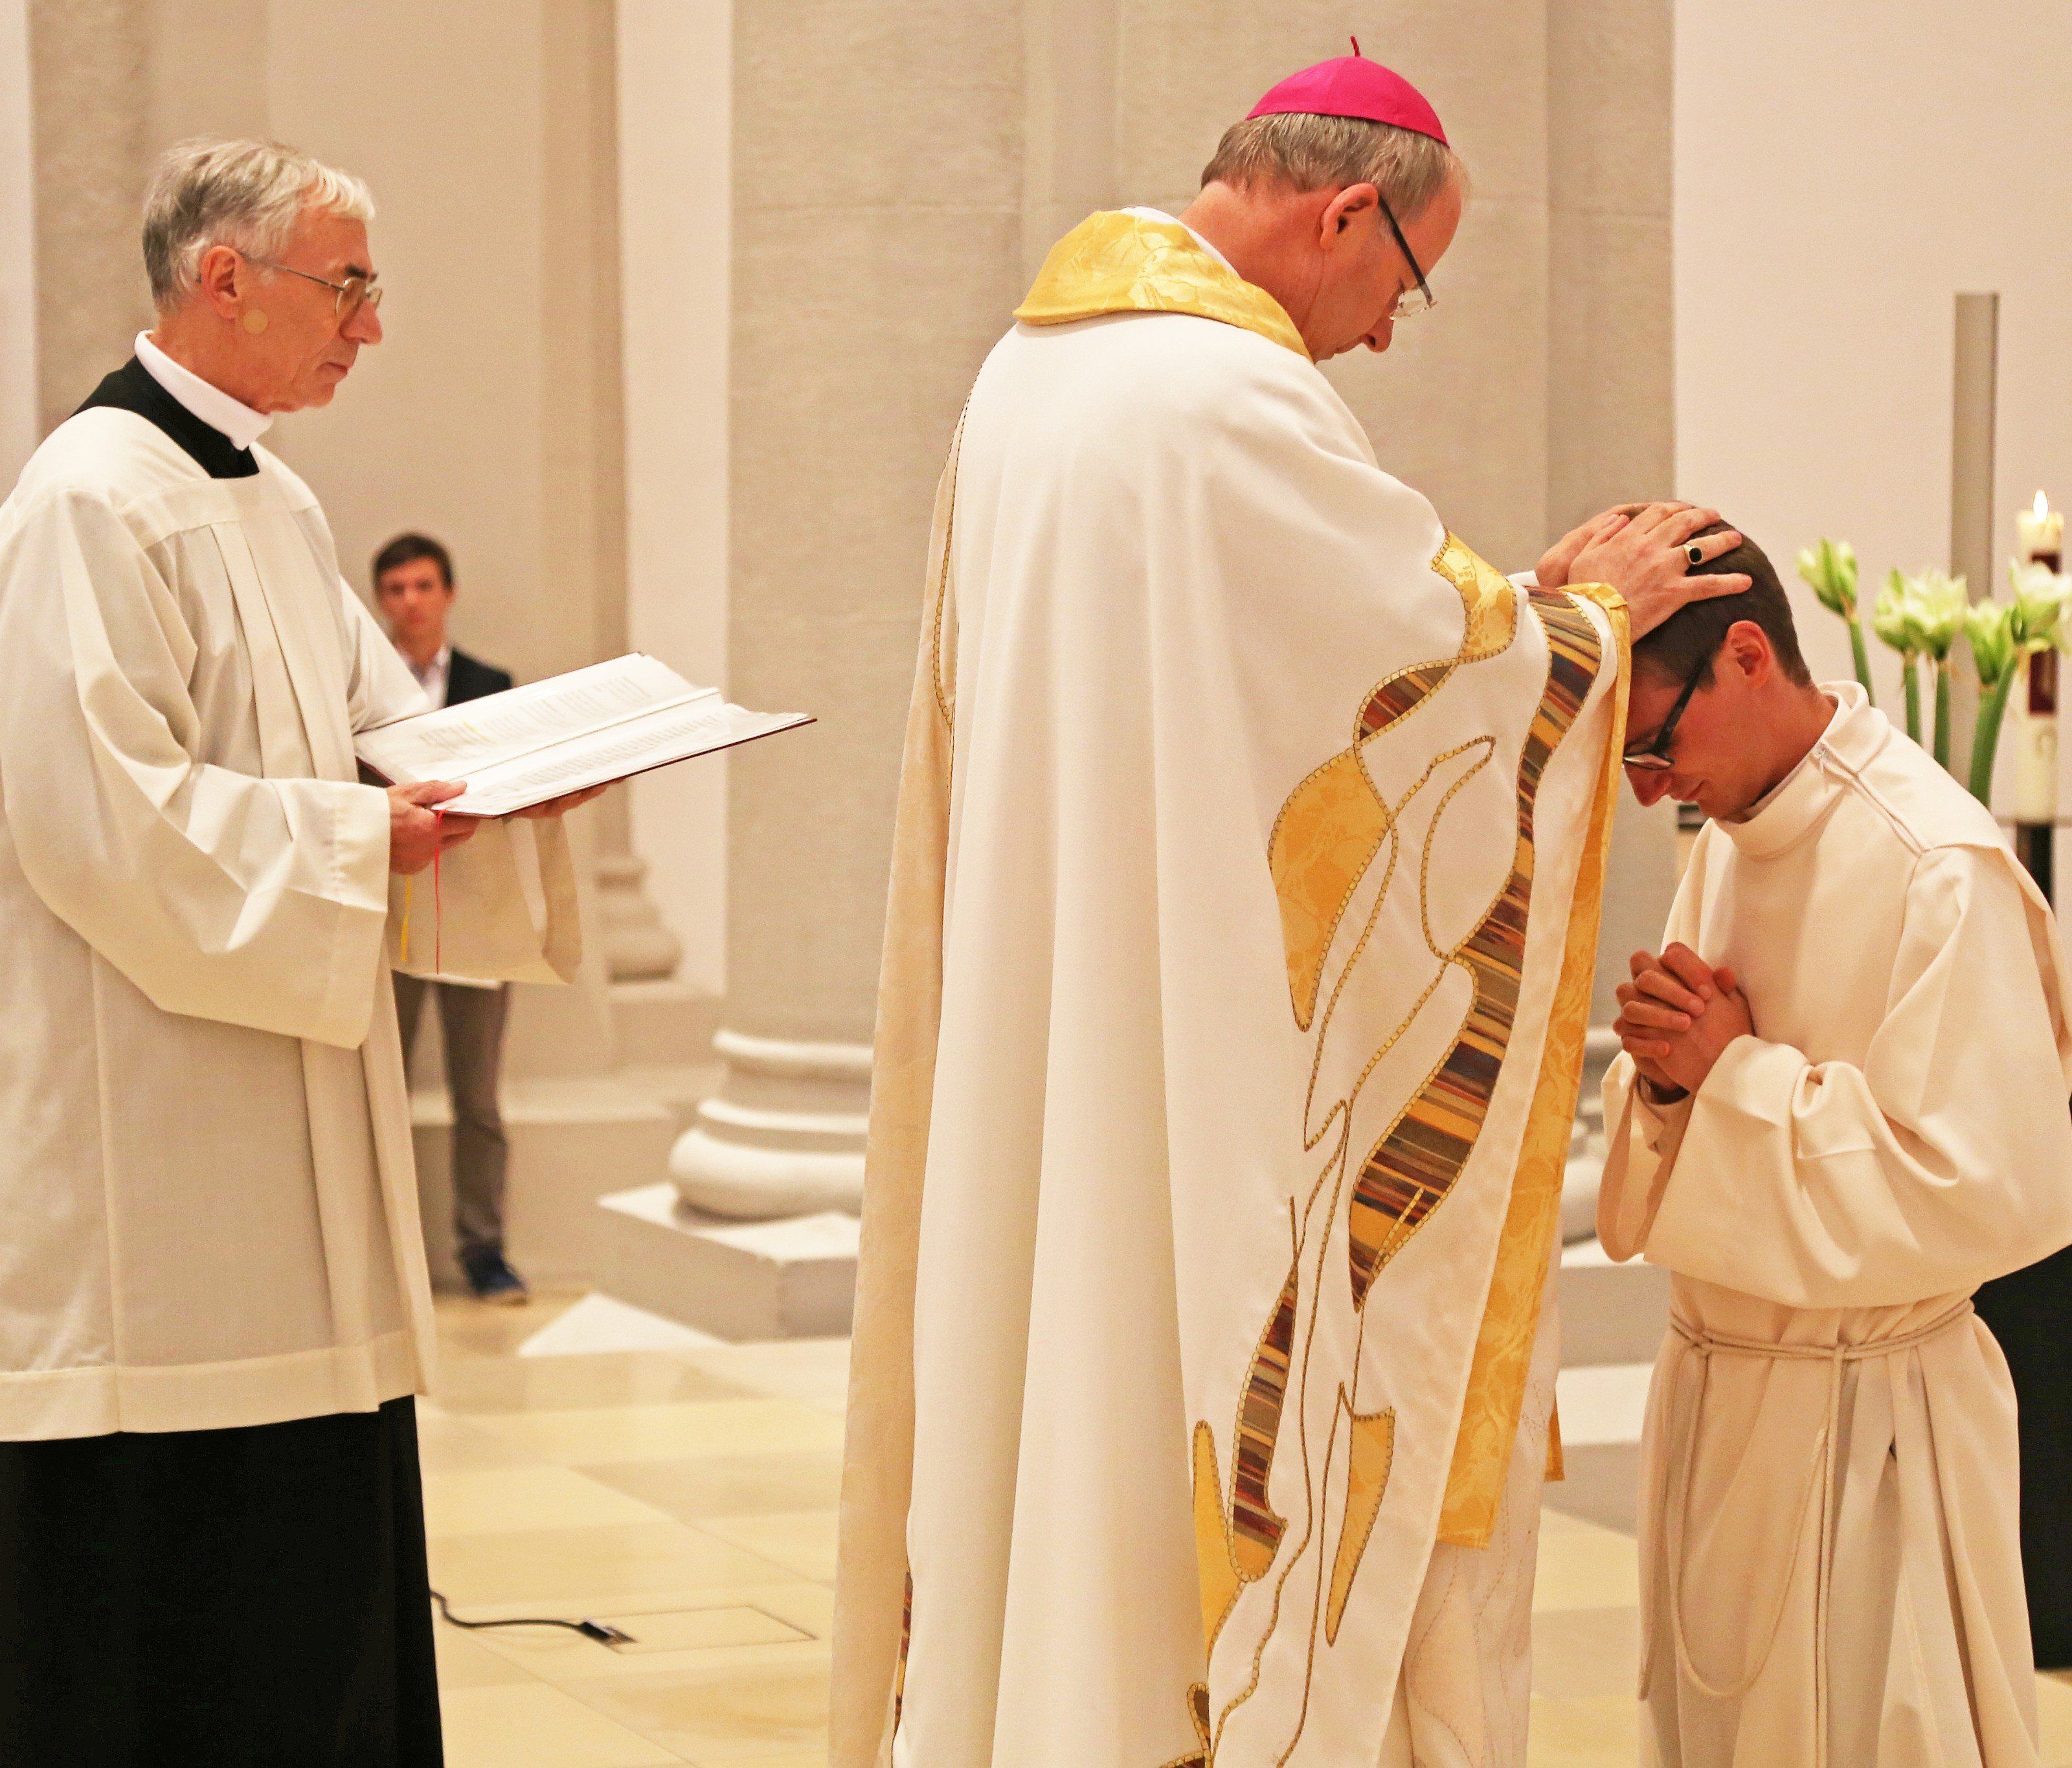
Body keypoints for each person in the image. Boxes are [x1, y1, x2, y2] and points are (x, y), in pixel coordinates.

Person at [831, 49, 1749, 1768]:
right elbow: (1420, 693)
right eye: (1408, 282)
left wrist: (1507, 616)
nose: (1395, 330)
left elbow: (1317, 672)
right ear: (1344, 213)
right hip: (1176, 1051)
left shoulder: (1036, 379)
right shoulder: (1223, 402)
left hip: (1070, 1005)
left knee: (1062, 1424)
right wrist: (1594, 631)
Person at [0, 137, 599, 1762]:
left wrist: (522, 770)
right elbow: (94, 817)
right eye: (349, 287)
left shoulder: (273, 497)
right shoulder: (87, 502)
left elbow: (379, 735)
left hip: (299, 1127)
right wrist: (359, 834)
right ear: (223, 278)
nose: (372, 327)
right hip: (162, 1142)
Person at [1600, 527, 2072, 1766]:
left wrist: (1733, 1076)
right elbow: (1703, 1105)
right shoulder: (1737, 839)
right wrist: (1664, 1086)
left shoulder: (1936, 865)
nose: (1650, 786)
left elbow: (1991, 1194)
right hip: (1729, 1397)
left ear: (1747, 655)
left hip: (1874, 1425)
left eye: (1656, 743)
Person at [373, 530, 528, 1304]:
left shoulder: (491, 684)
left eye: (423, 586)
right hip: (388, 913)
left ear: (448, 593)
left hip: (473, 910)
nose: (411, 602)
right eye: (396, 589)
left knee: (478, 1096)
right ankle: (383, 1256)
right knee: (377, 1088)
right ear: (381, 602)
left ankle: (484, 1250)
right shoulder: (362, 692)